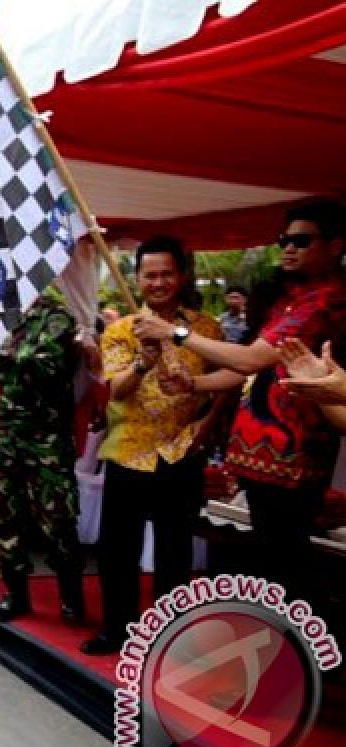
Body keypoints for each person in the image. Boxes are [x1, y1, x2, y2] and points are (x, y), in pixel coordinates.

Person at [134, 198, 346, 608]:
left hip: (294, 460)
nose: (288, 248)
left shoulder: (327, 301)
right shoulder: (292, 299)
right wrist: (193, 383)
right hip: (257, 458)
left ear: (336, 246)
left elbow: (249, 359)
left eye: (301, 241)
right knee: (267, 561)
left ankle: (303, 654)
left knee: (285, 564)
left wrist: (174, 333)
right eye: (284, 240)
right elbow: (248, 369)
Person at [82, 236, 224, 655]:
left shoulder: (206, 329)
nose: (158, 282)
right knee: (118, 550)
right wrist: (142, 361)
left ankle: (168, 638)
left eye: (166, 274)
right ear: (138, 278)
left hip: (182, 453)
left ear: (181, 277)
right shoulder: (120, 330)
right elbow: (117, 392)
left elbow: (230, 384)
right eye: (150, 275)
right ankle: (116, 630)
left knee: (174, 553)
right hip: (129, 453)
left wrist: (209, 425)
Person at [0, 298, 85, 623]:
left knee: (57, 520)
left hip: (47, 439)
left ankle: (71, 598)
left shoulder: (56, 317)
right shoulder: (0, 316)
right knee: (5, 518)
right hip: (8, 436)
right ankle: (15, 595)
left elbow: (46, 366)